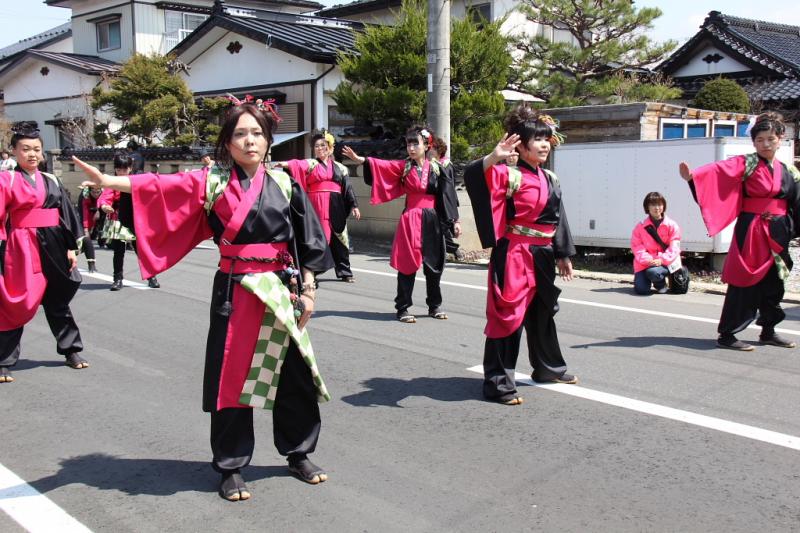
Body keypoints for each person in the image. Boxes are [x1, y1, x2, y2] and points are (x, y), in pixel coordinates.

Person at [73, 99, 334, 501]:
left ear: (269, 140)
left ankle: (298, 452)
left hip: (280, 289)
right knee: (231, 378)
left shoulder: (285, 182)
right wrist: (110, 184)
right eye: (240, 134)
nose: (250, 141)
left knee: (291, 374)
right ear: (227, 143)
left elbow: (309, 240)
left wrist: (310, 290)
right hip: (235, 289)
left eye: (257, 133)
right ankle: (230, 465)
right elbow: (160, 186)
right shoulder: (212, 181)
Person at [464, 105, 577, 406]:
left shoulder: (551, 177)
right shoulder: (510, 176)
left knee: (542, 314)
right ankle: (498, 383)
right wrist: (493, 157)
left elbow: (559, 217)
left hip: (543, 253)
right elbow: (476, 177)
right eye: (537, 140)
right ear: (522, 146)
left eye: (546, 139)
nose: (543, 145)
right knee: (508, 318)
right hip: (514, 253)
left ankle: (548, 367)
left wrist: (563, 253)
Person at [679, 111, 800, 351]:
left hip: (778, 231)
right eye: (759, 140)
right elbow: (717, 172)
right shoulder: (746, 163)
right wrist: (695, 178)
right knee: (744, 280)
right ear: (753, 142)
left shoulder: (790, 170)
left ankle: (768, 330)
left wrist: (791, 229)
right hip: (752, 229)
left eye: (770, 139)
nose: (765, 144)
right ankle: (728, 334)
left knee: (775, 282)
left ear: (781, 138)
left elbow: (797, 203)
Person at [342, 126, 461, 322]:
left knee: (434, 264)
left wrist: (455, 221)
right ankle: (403, 308)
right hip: (411, 218)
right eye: (409, 144)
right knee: (407, 264)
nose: (411, 148)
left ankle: (434, 305)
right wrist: (361, 160)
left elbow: (448, 196)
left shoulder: (438, 168)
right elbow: (382, 165)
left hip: (433, 218)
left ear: (426, 145)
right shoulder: (404, 166)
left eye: (416, 143)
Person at [0, 124, 88, 384]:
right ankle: (4, 360)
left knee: (58, 299)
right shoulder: (7, 179)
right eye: (25, 149)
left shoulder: (51, 180)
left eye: (36, 150)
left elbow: (67, 217)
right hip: (21, 244)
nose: (32, 154)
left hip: (55, 242)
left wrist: (72, 247)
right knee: (17, 300)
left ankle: (71, 350)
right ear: (14, 151)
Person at [275, 130, 361, 282]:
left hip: (335, 206)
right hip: (315, 205)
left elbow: (348, 189)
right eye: (316, 146)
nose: (320, 148)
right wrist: (284, 164)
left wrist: (354, 205)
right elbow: (297, 164)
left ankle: (345, 271)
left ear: (330, 148)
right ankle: (311, 270)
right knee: (315, 238)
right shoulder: (311, 164)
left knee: (339, 239)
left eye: (323, 145)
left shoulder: (341, 168)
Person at [98, 153, 160, 290]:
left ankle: (151, 276)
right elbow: (106, 196)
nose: (121, 173)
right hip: (118, 218)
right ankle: (117, 279)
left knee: (140, 249)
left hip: (135, 219)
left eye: (124, 170)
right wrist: (104, 205)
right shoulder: (113, 182)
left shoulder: (136, 180)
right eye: (118, 169)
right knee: (118, 251)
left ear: (130, 168)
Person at [630, 192, 682, 295]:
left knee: (653, 272)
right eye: (653, 204)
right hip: (644, 264)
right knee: (642, 290)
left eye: (660, 204)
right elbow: (637, 248)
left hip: (665, 263)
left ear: (664, 206)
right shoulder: (640, 227)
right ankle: (648, 279)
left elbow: (674, 248)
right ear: (647, 207)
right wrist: (650, 260)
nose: (657, 208)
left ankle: (660, 284)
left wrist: (661, 260)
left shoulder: (672, 225)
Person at [430, 137, 465, 262]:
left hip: (444, 199)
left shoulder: (443, 165)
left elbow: (448, 184)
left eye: (433, 148)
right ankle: (445, 252)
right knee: (440, 228)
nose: (430, 150)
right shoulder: (439, 164)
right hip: (442, 199)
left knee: (443, 228)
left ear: (439, 150)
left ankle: (454, 250)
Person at [78, 185, 102, 273]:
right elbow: (84, 214)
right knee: (86, 239)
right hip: (87, 211)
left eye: (98, 192)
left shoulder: (103, 193)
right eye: (93, 192)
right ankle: (91, 265)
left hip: (101, 209)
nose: (96, 194)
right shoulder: (85, 196)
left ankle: (100, 235)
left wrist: (99, 210)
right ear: (90, 191)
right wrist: (85, 228)